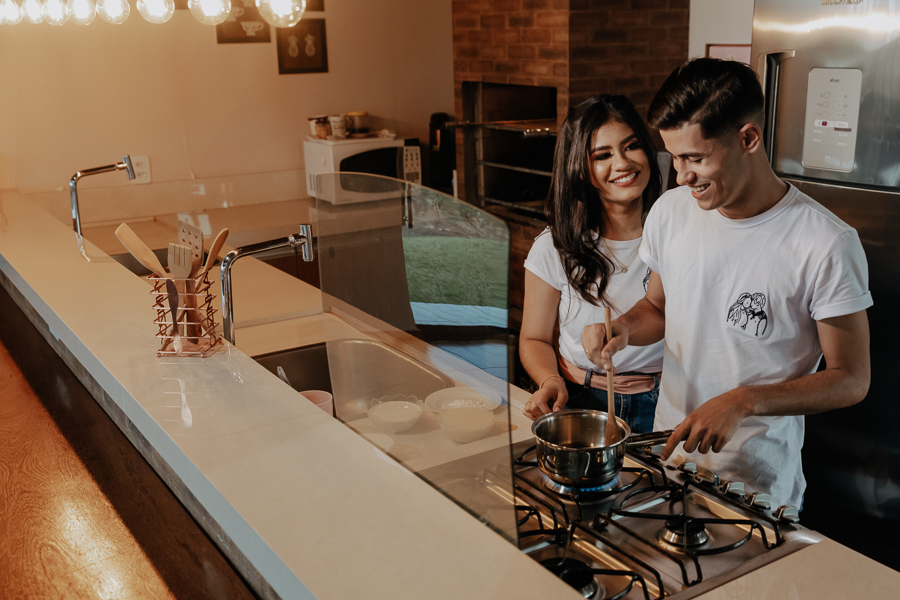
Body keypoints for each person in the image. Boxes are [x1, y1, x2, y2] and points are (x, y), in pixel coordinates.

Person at [582, 58, 872, 508]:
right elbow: (657, 308)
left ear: (748, 138)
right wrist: (620, 328)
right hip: (668, 461)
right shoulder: (671, 211)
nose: (681, 175)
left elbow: (851, 378)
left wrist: (743, 401)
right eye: (674, 157)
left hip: (754, 486)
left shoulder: (825, 242)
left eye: (696, 158)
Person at [520, 95, 664, 433]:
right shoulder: (554, 246)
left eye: (631, 146)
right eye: (603, 155)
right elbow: (534, 338)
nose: (622, 163)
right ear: (581, 170)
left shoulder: (674, 234)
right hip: (579, 397)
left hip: (665, 398)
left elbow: (665, 314)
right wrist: (549, 379)